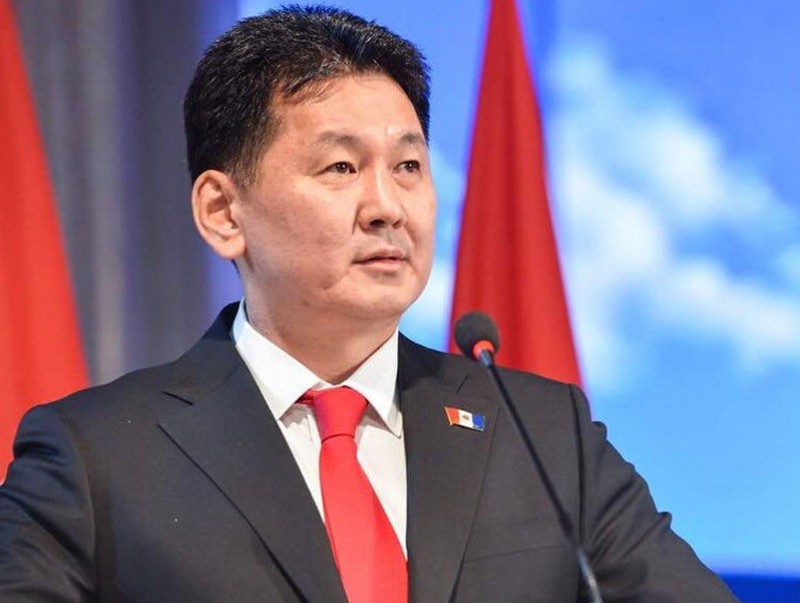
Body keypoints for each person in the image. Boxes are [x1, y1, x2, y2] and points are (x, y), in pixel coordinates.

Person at [0, 6, 739, 602]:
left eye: (409, 165)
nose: (388, 206)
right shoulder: (96, 459)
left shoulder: (546, 436)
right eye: (341, 167)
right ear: (223, 212)